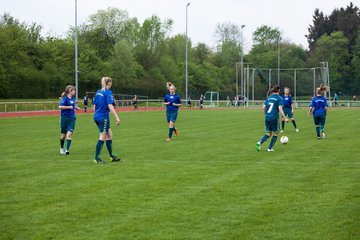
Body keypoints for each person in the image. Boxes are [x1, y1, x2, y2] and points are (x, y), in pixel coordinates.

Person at [93, 77, 121, 163]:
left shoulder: (98, 92)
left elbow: (94, 105)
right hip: (103, 117)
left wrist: (96, 114)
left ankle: (111, 156)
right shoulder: (108, 92)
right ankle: (96, 158)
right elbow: (110, 105)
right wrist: (117, 117)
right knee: (103, 136)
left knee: (109, 134)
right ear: (109, 83)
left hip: (97, 116)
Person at [256, 85, 288, 152]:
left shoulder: (269, 97)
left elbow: (263, 107)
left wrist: (266, 114)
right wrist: (285, 117)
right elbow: (280, 108)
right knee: (275, 133)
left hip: (267, 117)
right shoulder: (279, 98)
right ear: (279, 90)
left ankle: (260, 142)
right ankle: (269, 148)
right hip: (274, 117)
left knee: (268, 134)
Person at [59, 85, 80, 155]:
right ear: (69, 91)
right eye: (74, 90)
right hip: (64, 118)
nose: (75, 92)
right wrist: (69, 107)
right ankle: (61, 148)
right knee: (63, 135)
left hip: (72, 118)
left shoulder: (73, 99)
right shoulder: (65, 99)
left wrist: (76, 108)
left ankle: (67, 150)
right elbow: (60, 106)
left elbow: (72, 107)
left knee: (70, 133)